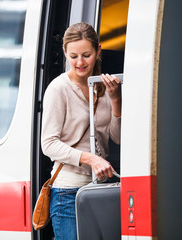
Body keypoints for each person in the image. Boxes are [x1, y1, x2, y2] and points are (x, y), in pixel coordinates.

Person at [41, 22, 122, 240]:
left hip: (100, 188)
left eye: (86, 54)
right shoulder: (58, 89)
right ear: (65, 53)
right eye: (73, 56)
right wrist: (91, 159)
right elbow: (48, 143)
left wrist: (115, 100)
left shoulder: (104, 87)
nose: (80, 62)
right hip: (67, 193)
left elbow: (117, 137)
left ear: (98, 51)